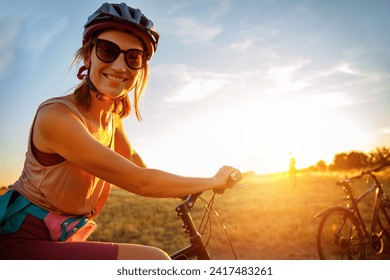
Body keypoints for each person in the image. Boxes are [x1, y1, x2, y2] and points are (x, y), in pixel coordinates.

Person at [0, 3, 240, 260]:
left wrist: (183, 189)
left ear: (140, 69)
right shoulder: (57, 116)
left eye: (133, 57)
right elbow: (141, 182)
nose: (120, 66)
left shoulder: (112, 117)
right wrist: (212, 180)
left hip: (57, 238)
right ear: (88, 56)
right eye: (107, 50)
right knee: (153, 261)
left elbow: (134, 161)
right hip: (20, 241)